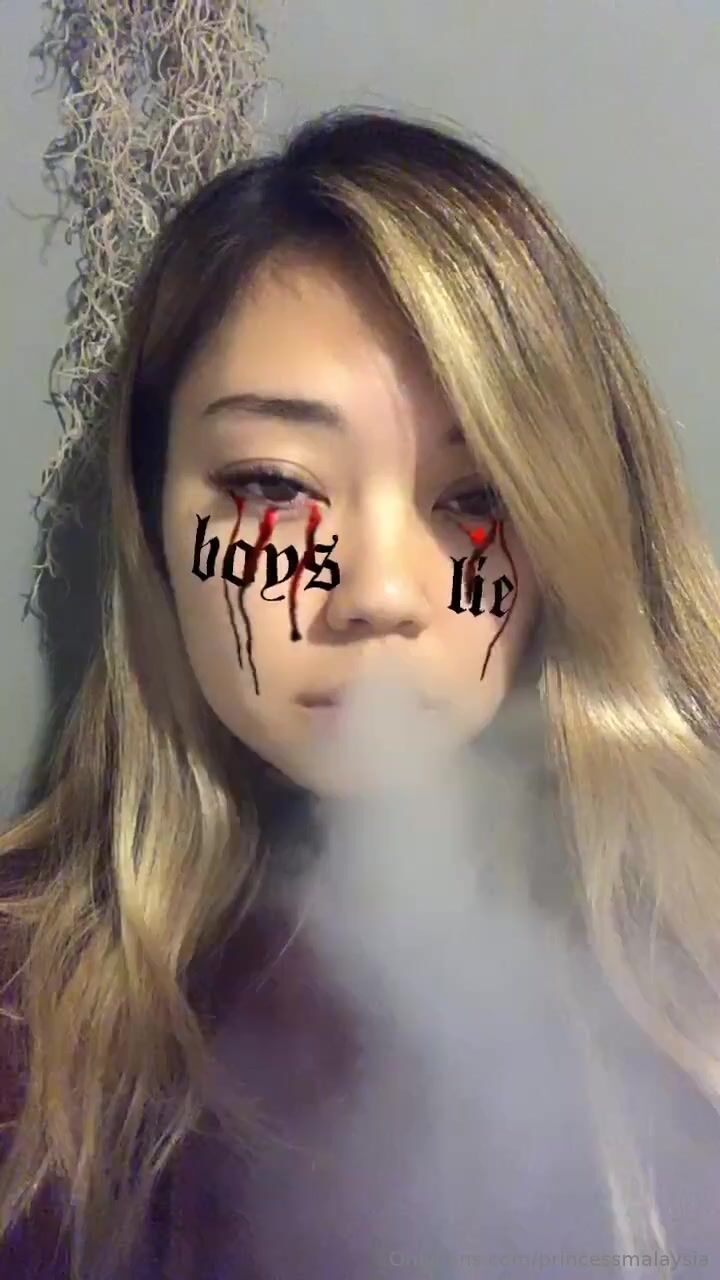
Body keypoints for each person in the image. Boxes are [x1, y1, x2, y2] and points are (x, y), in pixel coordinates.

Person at [1, 105, 719, 1279]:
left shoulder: (692, 944)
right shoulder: (22, 1014)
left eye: (477, 496)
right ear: (154, 516)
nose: (379, 592)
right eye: (275, 486)